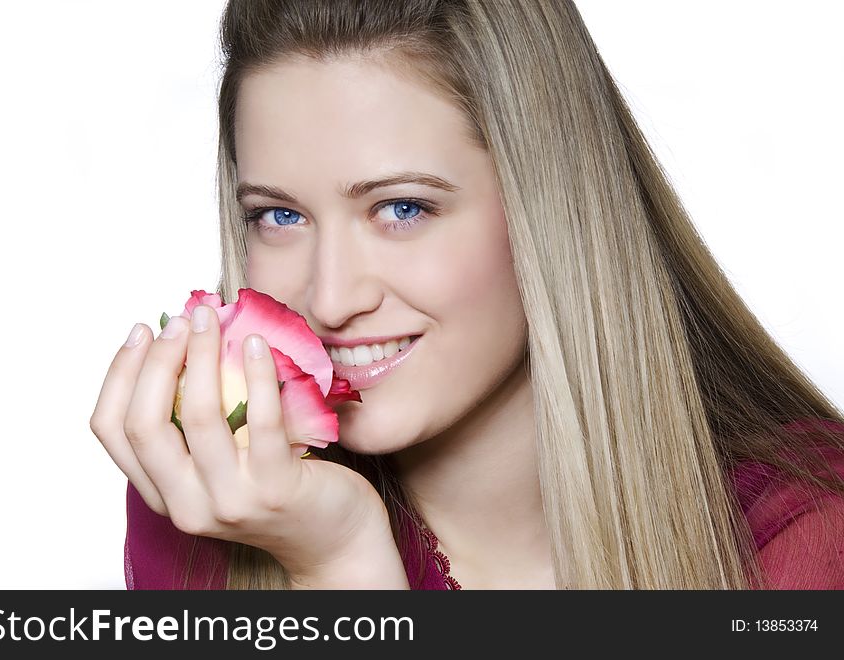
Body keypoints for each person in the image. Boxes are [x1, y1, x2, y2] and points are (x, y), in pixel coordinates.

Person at [90, 0, 844, 590]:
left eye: (402, 209)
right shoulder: (214, 501)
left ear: (549, 210)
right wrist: (339, 559)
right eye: (278, 216)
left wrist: (347, 574)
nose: (329, 298)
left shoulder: (804, 535)